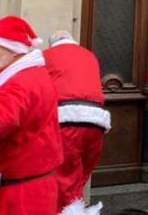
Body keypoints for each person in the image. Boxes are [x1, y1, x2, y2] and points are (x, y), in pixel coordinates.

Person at [0, 16, 63, 214]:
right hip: (24, 187)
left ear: (14, 51)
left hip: (22, 195)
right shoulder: (24, 75)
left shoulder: (21, 81)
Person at [43, 30, 110, 214]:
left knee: (65, 177)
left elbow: (39, 88)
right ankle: (75, 207)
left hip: (67, 119)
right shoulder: (89, 55)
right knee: (80, 176)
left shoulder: (46, 56)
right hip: (96, 121)